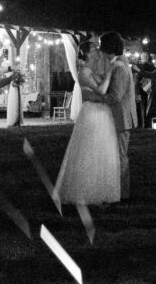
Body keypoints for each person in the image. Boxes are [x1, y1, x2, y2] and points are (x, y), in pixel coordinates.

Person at [52, 43, 122, 206]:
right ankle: (87, 191)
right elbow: (102, 90)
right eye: (95, 50)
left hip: (102, 112)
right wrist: (111, 70)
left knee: (102, 151)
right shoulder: (84, 72)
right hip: (92, 114)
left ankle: (101, 190)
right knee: (90, 151)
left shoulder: (93, 71)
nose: (98, 52)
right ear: (87, 54)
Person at [81, 32, 137, 199]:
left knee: (120, 157)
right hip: (118, 117)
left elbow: (115, 97)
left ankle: (123, 194)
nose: (99, 49)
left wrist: (94, 97)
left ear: (108, 47)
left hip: (121, 118)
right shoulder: (118, 64)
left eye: (101, 45)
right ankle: (116, 192)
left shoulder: (119, 67)